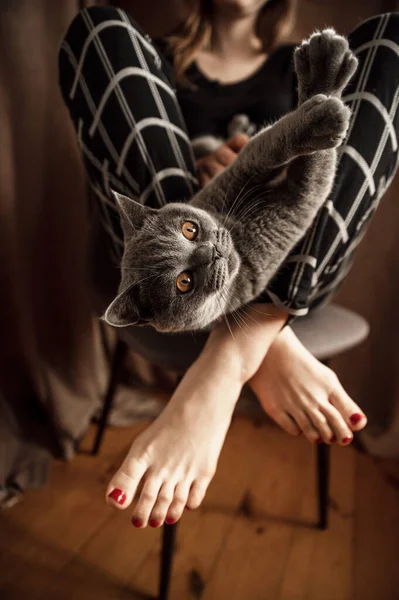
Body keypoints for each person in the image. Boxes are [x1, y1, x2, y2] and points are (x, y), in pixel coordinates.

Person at [58, 1, 399, 529]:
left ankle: (234, 353)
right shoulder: (155, 58)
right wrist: (197, 176)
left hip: (299, 259)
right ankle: (264, 337)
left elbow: (309, 174)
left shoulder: (300, 60)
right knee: (100, 32)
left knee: (392, 41)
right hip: (171, 284)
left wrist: (262, 157)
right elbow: (148, 187)